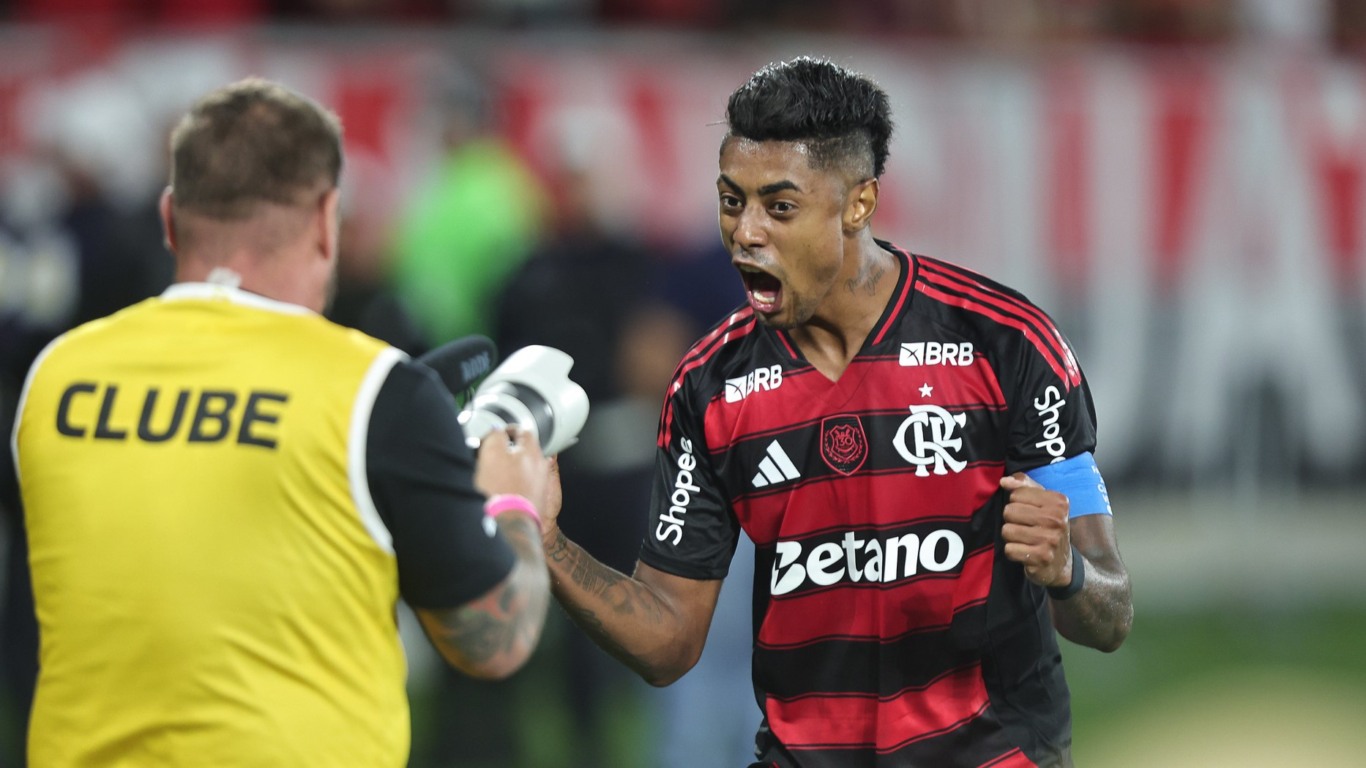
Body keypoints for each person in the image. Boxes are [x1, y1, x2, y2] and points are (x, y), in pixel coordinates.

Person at [538, 56, 1134, 768]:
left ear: (858, 204)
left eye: (779, 207)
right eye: (732, 201)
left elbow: (1111, 611)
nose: (746, 233)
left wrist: (1066, 567)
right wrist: (542, 541)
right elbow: (668, 642)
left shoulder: (1006, 346)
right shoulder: (710, 389)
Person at [10, 78, 553, 767]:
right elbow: (493, 639)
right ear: (327, 218)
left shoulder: (56, 375)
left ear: (172, 217)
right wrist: (514, 502)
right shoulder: (373, 390)